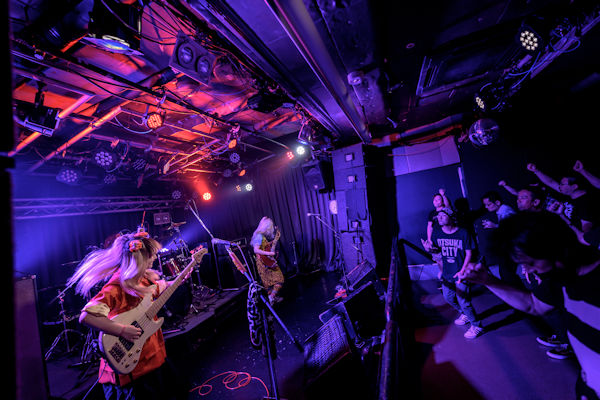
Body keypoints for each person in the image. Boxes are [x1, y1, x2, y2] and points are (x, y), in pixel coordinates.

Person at [457, 212, 600, 399]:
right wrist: (487, 280)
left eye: (530, 262)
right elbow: (533, 305)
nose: (528, 270)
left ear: (555, 248)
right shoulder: (559, 279)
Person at [67, 230, 189, 400]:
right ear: (140, 260)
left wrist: (177, 281)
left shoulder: (142, 279)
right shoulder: (116, 288)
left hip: (153, 358)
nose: (155, 258)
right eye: (151, 256)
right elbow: (87, 316)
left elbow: (158, 288)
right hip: (133, 369)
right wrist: (122, 330)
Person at [422, 207, 483, 339]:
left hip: (461, 272)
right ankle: (465, 314)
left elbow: (469, 253)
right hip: (447, 272)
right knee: (448, 297)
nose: (439, 218)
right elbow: (437, 251)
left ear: (451, 217)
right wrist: (429, 249)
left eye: (443, 215)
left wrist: (462, 270)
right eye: (438, 216)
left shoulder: (463, 233)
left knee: (463, 300)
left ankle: (477, 325)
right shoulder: (437, 233)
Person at [251, 216, 285, 305]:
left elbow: (263, 246)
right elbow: (256, 250)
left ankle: (272, 298)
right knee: (279, 279)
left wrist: (272, 242)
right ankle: (272, 297)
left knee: (269, 282)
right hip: (264, 262)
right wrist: (269, 253)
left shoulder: (260, 236)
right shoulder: (259, 236)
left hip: (264, 261)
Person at [426, 189, 452, 281]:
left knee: (449, 257)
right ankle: (443, 275)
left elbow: (448, 206)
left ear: (442, 201)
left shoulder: (446, 210)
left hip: (447, 239)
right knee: (438, 258)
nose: (436, 201)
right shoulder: (432, 213)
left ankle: (451, 276)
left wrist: (443, 195)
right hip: (436, 239)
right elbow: (429, 226)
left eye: (438, 199)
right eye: (434, 200)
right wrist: (429, 239)